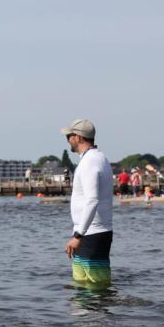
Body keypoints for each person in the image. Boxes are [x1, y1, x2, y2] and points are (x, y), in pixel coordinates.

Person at [60, 119, 114, 289]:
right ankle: (83, 315)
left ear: (78, 137)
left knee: (96, 288)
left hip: (92, 233)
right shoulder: (95, 158)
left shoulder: (91, 161)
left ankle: (97, 315)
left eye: (69, 135)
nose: (67, 139)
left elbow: (92, 200)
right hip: (88, 232)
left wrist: (78, 236)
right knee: (81, 286)